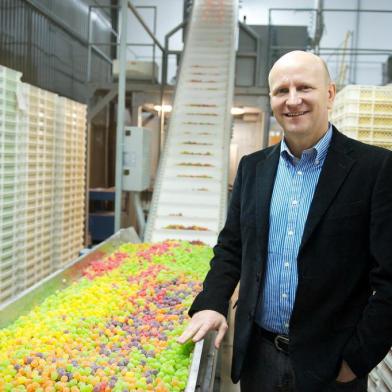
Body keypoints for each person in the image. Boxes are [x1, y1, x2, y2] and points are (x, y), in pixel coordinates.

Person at [177, 50, 392, 392]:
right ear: (271, 99)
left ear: (330, 94)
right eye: (281, 91)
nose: (293, 101)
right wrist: (211, 303)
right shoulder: (253, 168)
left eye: (304, 87)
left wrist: (357, 358)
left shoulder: (375, 169)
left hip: (332, 365)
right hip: (259, 358)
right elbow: (232, 247)